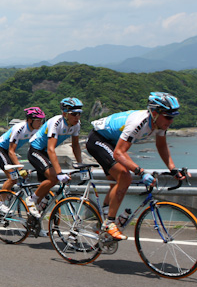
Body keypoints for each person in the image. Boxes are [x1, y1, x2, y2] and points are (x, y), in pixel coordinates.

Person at [86, 92, 185, 240]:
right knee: (125, 176)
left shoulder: (159, 123)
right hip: (98, 139)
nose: (171, 121)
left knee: (117, 182)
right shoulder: (138, 123)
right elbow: (119, 153)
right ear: (154, 113)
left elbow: (162, 146)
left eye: (173, 117)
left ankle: (102, 221)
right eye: (168, 117)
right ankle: (109, 223)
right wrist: (141, 171)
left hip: (112, 143)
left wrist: (173, 169)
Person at [26, 97, 83, 218]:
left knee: (45, 193)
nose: (77, 117)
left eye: (79, 114)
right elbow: (51, 149)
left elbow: (76, 146)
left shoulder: (76, 125)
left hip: (45, 152)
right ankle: (31, 200)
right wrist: (59, 172)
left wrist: (81, 164)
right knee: (53, 177)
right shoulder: (56, 122)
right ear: (65, 114)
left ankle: (34, 223)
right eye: (74, 114)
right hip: (36, 150)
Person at [0, 107, 45, 197]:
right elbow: (11, 151)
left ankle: (11, 195)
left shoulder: (36, 130)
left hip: (9, 151)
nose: (40, 123)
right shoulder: (19, 129)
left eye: (41, 120)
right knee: (12, 179)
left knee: (21, 177)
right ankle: (0, 203)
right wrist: (21, 169)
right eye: (38, 120)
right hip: (0, 150)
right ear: (29, 120)